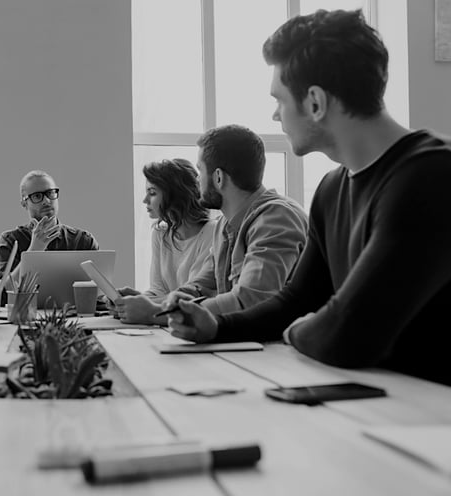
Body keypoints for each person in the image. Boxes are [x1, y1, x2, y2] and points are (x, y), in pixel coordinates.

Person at [165, 9, 451, 386]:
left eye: (280, 100)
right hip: (377, 403)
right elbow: (296, 302)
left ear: (315, 102)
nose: (275, 115)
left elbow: (349, 335)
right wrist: (215, 326)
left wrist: (300, 331)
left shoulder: (431, 177)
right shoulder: (332, 189)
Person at [172, 124, 308, 315]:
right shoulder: (224, 224)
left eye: (200, 171)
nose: (197, 182)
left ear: (218, 177)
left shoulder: (277, 218)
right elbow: (202, 283)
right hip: (246, 340)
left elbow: (252, 300)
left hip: (279, 343)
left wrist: (174, 312)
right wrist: (171, 302)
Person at [112, 159, 216, 325]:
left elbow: (193, 297)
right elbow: (158, 289)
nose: (145, 200)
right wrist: (134, 300)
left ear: (175, 195)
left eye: (152, 193)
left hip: (192, 322)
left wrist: (144, 304)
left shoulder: (213, 232)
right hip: (168, 322)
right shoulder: (161, 233)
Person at [0, 170, 99, 284]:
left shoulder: (83, 240)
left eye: (50, 193)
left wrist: (115, 295)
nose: (46, 201)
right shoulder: (10, 240)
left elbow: (99, 293)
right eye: (37, 196)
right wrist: (34, 250)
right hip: (27, 303)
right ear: (24, 204)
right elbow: (2, 293)